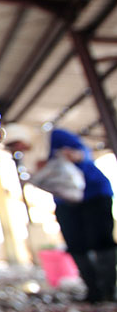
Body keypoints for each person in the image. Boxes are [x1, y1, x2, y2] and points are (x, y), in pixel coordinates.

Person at [43, 129, 116, 302]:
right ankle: (94, 290)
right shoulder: (18, 156)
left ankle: (109, 289)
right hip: (65, 199)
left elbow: (83, 153)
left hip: (94, 193)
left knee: (101, 241)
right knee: (75, 244)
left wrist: (73, 155)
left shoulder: (56, 135)